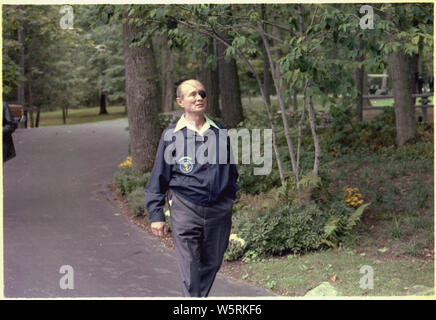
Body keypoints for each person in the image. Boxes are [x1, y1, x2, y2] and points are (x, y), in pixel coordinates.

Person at [145, 79, 239, 297]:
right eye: (192, 94)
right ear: (180, 101)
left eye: (202, 93)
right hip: (186, 208)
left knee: (213, 263)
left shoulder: (219, 130)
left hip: (219, 210)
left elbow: (231, 168)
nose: (199, 97)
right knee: (190, 267)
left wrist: (229, 196)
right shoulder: (172, 135)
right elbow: (158, 176)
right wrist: (156, 214)